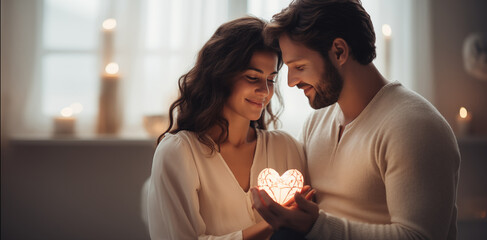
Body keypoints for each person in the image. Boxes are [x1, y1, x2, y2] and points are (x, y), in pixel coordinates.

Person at [251, 0, 461, 239]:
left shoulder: (415, 127)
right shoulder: (316, 122)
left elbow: (419, 236)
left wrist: (316, 227)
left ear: (339, 51)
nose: (291, 81)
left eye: (299, 66)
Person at [146, 16, 308, 240]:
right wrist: (273, 225)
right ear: (220, 76)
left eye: (271, 79)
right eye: (253, 77)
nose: (264, 91)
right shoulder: (179, 152)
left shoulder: (285, 147)